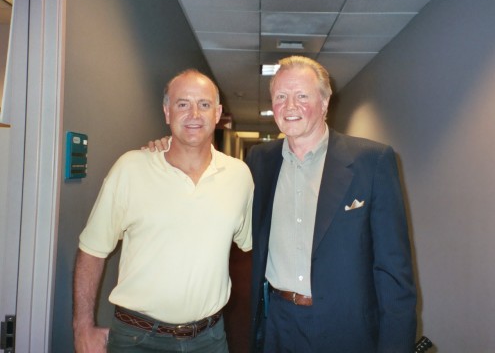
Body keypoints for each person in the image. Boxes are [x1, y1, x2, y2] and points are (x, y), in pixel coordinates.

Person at [147, 56, 417, 353]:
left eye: (302, 96)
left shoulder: (372, 162)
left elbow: (394, 273)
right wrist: (168, 149)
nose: (290, 106)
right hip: (278, 323)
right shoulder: (259, 162)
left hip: (347, 329)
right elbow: (212, 192)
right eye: (281, 97)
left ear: (325, 102)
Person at [72, 69, 254, 353]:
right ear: (167, 112)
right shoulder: (131, 168)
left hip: (210, 340)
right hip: (137, 338)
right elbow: (92, 250)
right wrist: (82, 327)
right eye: (183, 104)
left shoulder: (239, 176)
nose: (194, 113)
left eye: (204, 104)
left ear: (217, 114)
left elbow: (250, 240)